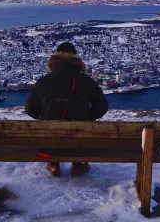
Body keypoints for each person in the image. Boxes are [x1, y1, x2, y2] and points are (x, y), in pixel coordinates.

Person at [25, 42, 109, 177]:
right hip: (79, 144)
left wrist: (44, 118)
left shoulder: (43, 81)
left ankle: (53, 163)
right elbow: (102, 107)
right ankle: (78, 164)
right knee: (78, 132)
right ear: (76, 59)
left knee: (52, 130)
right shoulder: (86, 81)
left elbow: (30, 109)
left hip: (49, 144)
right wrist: (87, 116)